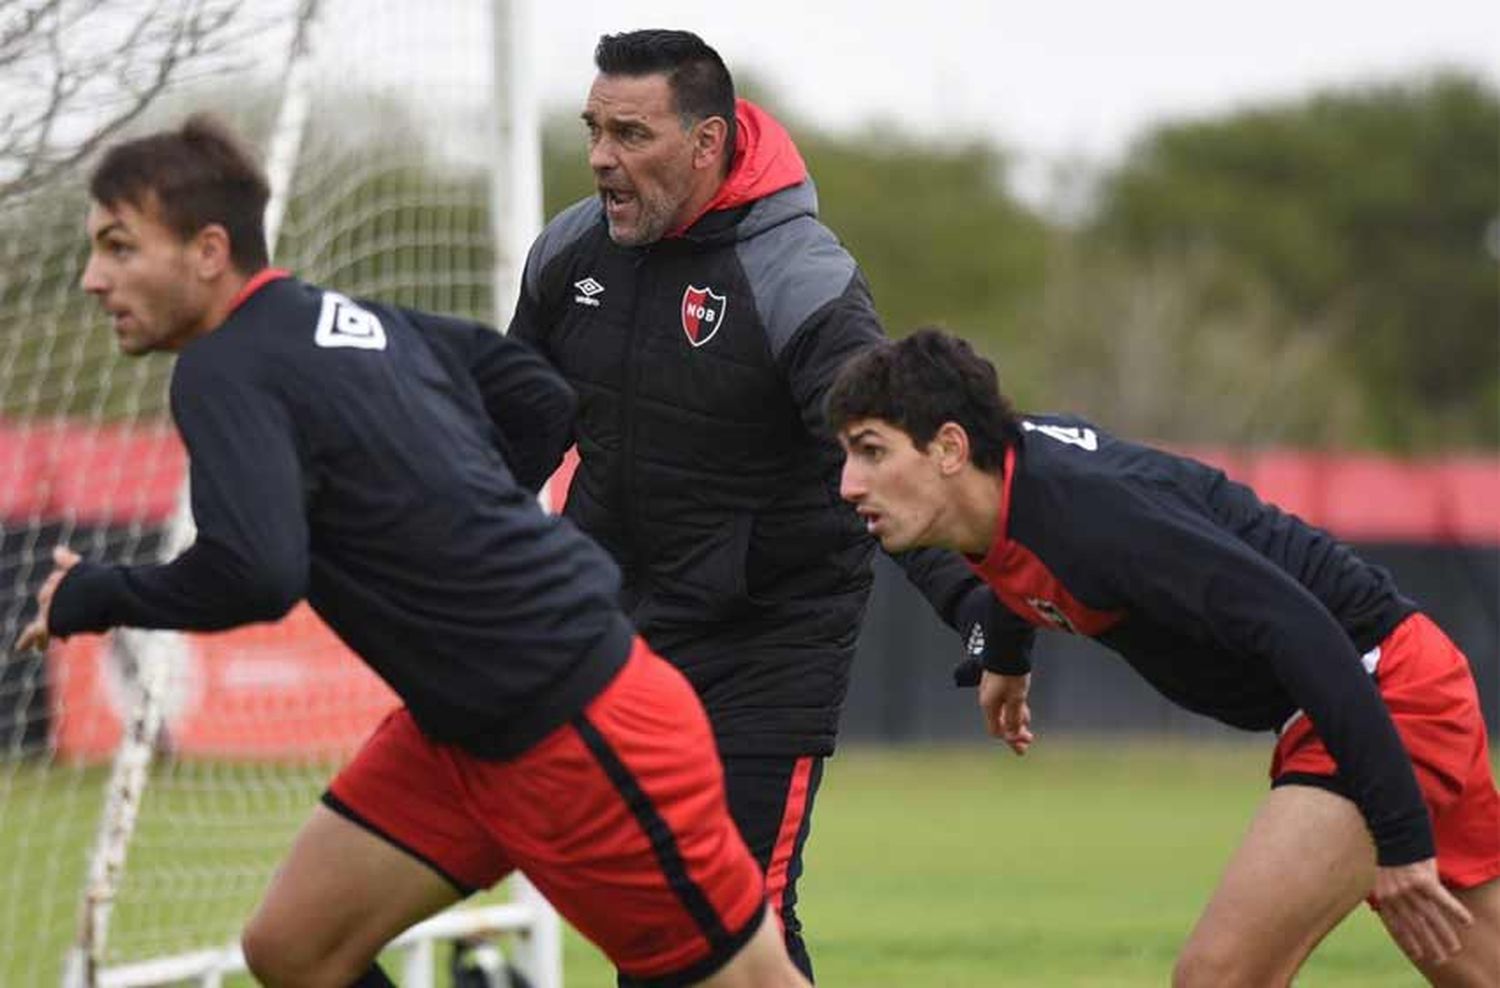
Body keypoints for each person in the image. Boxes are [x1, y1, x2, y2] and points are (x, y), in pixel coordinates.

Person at [15, 115, 814, 988]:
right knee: (295, 949)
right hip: (455, 737)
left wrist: (98, 594)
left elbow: (258, 572)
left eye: (119, 248)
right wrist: (458, 510)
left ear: (208, 250)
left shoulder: (221, 366)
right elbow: (537, 396)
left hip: (580, 726)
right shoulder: (354, 320)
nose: (95, 279)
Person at [507, 30, 1023, 980]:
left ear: (707, 144)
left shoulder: (801, 277)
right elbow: (514, 437)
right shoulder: (568, 249)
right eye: (593, 129)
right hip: (615, 627)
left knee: (740, 917)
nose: (600, 159)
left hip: (768, 638)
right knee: (653, 915)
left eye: (629, 133)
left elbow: (888, 461)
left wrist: (974, 604)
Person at [825, 327, 1500, 986]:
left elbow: (1303, 631)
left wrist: (1403, 837)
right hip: (1382, 681)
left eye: (872, 452)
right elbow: (1015, 555)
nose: (850, 483)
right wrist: (1007, 656)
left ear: (948, 447)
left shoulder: (1095, 517)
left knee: (1218, 976)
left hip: (1380, 691)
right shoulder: (1010, 484)